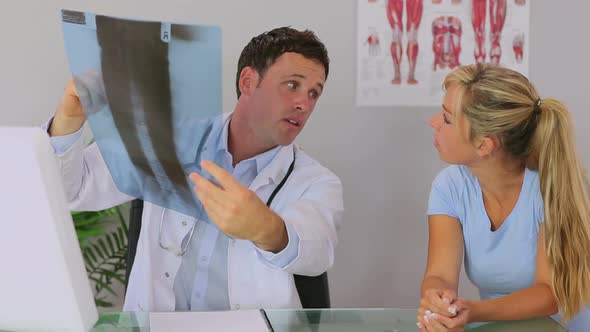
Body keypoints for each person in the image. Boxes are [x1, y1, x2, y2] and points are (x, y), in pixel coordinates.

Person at [46, 26, 343, 312]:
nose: (304, 103)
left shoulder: (317, 182)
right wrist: (70, 118)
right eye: (293, 85)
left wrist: (267, 229)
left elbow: (317, 252)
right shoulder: (167, 139)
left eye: (314, 93)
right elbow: (73, 190)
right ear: (248, 82)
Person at [418, 63, 590, 331]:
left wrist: (472, 311)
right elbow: (439, 274)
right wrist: (438, 298)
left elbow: (550, 294)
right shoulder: (449, 187)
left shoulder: (550, 187)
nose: (434, 123)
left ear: (484, 145)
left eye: (447, 118)